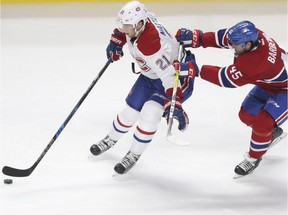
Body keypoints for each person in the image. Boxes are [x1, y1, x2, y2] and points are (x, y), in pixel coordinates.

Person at [90, 1, 198, 174]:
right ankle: (110, 139)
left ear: (139, 25)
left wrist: (174, 102)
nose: (123, 29)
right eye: (122, 25)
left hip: (175, 76)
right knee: (129, 112)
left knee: (150, 112)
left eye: (127, 26)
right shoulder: (139, 22)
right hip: (151, 74)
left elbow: (169, 76)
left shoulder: (151, 45)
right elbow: (126, 27)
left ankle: (133, 154)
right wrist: (116, 41)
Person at [175, 20, 287, 177]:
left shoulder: (257, 62)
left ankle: (253, 158)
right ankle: (272, 132)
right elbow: (223, 37)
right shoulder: (253, 37)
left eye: (236, 45)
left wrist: (197, 70)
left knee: (262, 124)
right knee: (246, 115)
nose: (233, 47)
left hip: (284, 90)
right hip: (269, 83)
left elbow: (225, 79)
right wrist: (198, 38)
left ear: (248, 45)